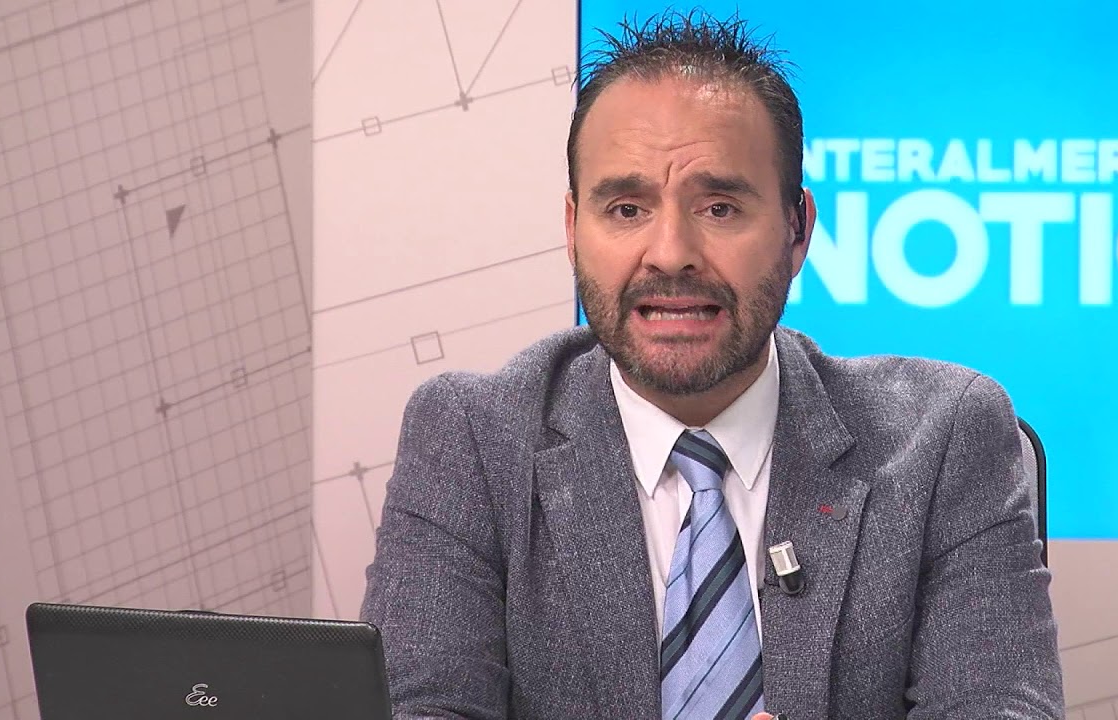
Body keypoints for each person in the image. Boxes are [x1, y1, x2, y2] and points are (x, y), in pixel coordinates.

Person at [361, 9, 1064, 719]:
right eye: (627, 209)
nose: (671, 254)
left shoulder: (943, 441)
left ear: (797, 231)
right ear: (573, 232)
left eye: (720, 208)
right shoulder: (473, 440)